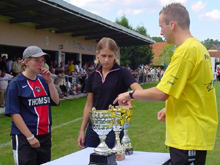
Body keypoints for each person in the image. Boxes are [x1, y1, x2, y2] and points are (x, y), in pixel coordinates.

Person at [113, 3, 218, 165]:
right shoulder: (199, 48)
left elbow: (162, 92)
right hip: (191, 133)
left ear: (172, 25)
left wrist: (130, 94)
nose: (160, 32)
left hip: (188, 135)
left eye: (161, 27)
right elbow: (193, 91)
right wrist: (171, 106)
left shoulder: (185, 51)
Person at [77, 37, 142, 149]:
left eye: (110, 56)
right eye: (103, 56)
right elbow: (89, 104)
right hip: (94, 127)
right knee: (90, 158)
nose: (106, 59)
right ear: (97, 54)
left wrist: (127, 99)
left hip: (114, 128)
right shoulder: (93, 75)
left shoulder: (122, 73)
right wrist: (82, 130)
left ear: (115, 55)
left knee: (112, 159)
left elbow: (140, 91)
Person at [4, 46, 59, 165]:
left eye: (43, 61)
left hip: (44, 134)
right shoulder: (16, 83)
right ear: (26, 62)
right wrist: (30, 137)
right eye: (37, 60)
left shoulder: (43, 80)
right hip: (25, 137)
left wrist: (49, 81)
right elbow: (14, 113)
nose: (41, 64)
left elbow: (56, 101)